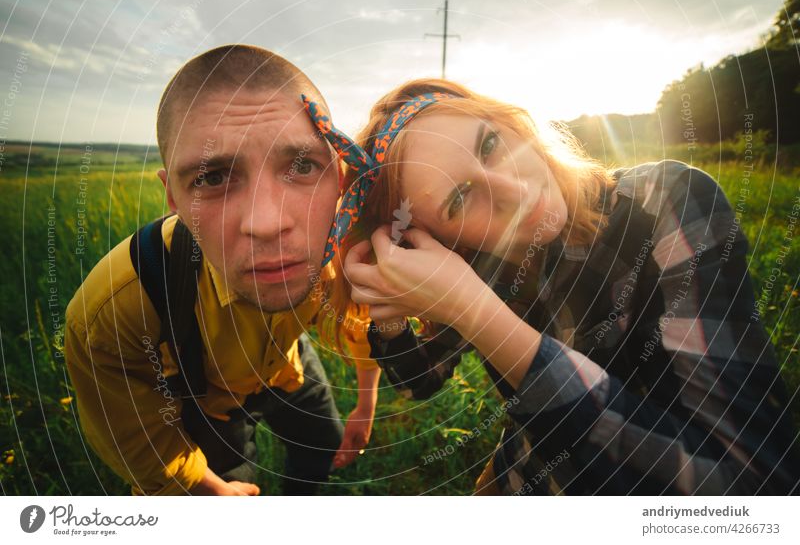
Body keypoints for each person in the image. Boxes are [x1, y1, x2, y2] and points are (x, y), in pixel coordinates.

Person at [339, 78, 800, 495]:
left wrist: (476, 311)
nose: (516, 192)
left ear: (512, 122)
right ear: (440, 243)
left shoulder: (667, 202)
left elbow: (751, 482)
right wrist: (395, 308)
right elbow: (420, 380)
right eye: (459, 199)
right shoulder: (479, 268)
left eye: (490, 144)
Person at [63, 45, 380, 496]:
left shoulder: (347, 250)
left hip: (288, 363)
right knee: (235, 475)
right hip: (207, 400)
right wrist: (212, 493)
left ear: (341, 178)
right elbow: (139, 441)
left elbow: (360, 323)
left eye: (303, 166)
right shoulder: (112, 312)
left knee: (321, 443)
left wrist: (366, 404)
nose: (267, 224)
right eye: (212, 178)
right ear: (173, 198)